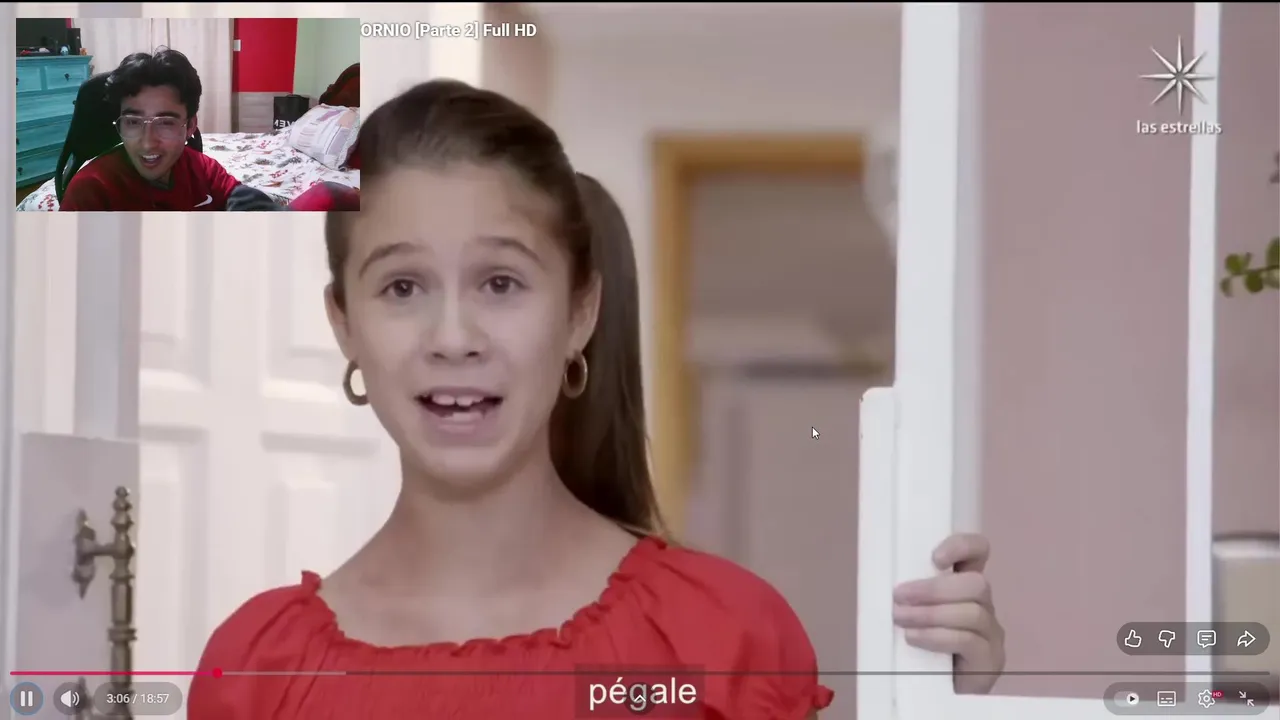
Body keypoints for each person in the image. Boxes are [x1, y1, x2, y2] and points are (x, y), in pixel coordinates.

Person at [187, 80, 1005, 719]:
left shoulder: (723, 639)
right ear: (344, 324)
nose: (453, 336)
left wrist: (951, 708)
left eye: (500, 283)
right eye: (402, 286)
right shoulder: (256, 670)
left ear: (580, 312)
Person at [60, 48, 240, 211]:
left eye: (165, 123)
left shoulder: (203, 169)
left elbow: (241, 197)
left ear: (190, 126)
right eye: (133, 122)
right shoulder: (90, 192)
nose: (147, 144)